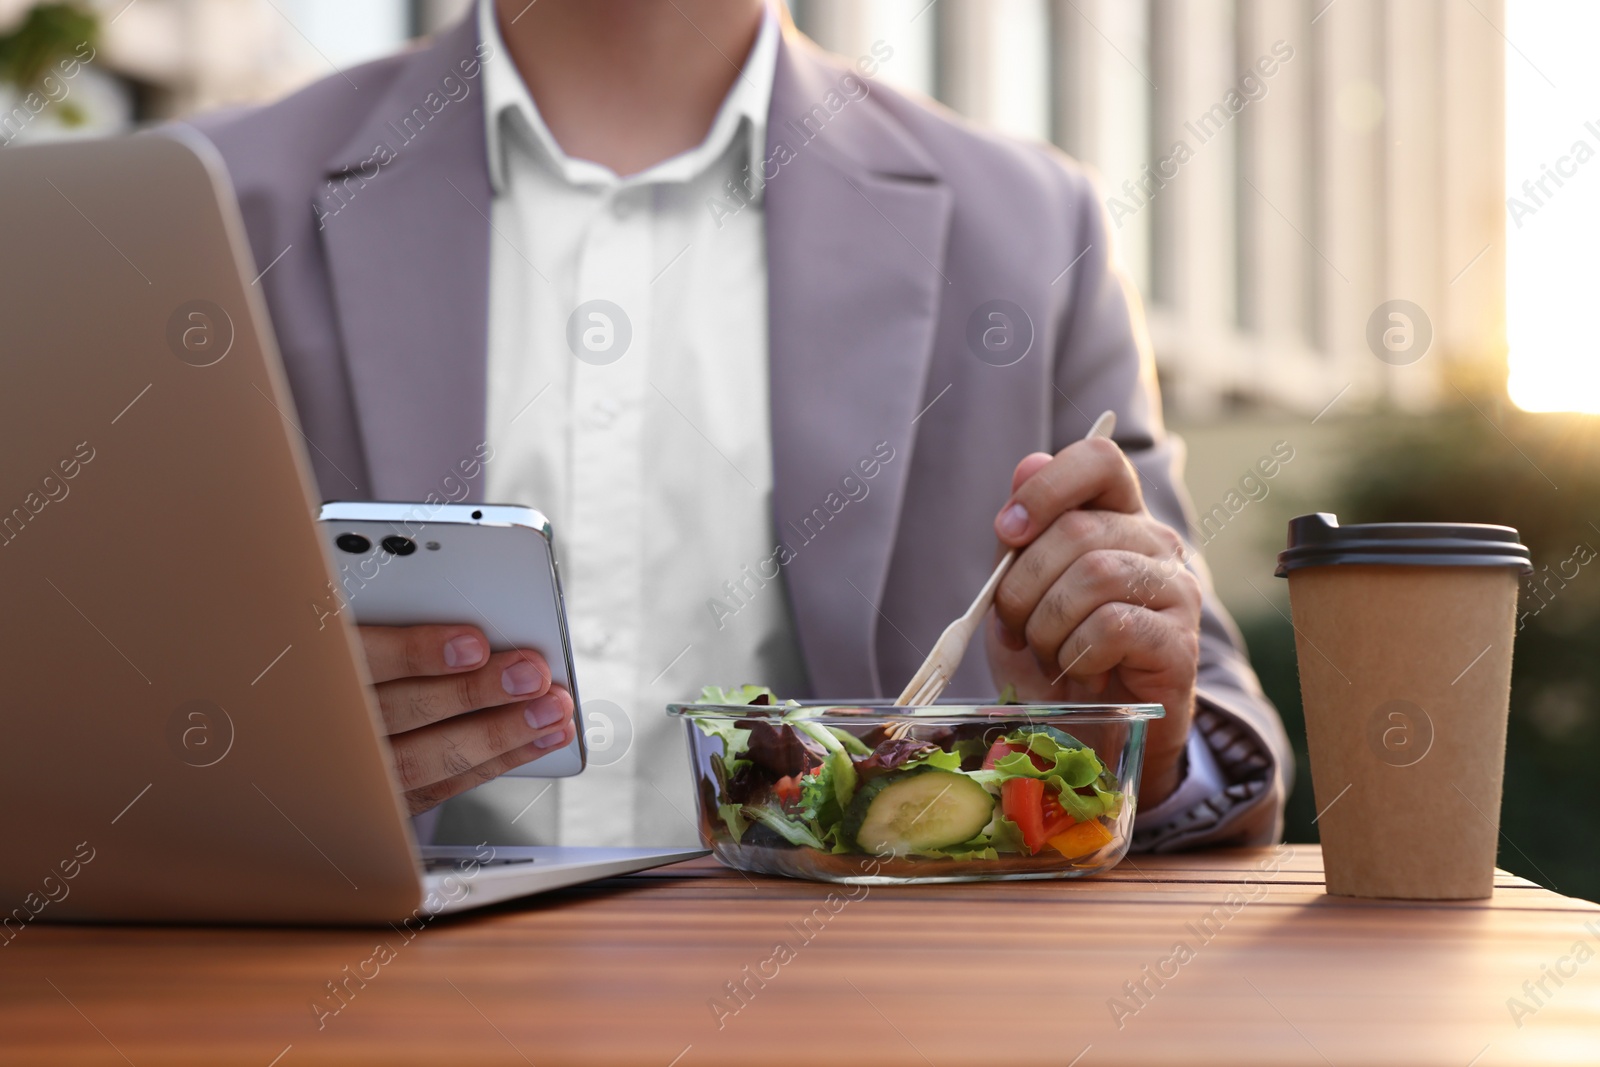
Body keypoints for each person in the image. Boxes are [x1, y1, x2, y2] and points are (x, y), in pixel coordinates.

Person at [188, 0, 1292, 851]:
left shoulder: (1032, 227)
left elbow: (1211, 733)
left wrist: (1117, 741)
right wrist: (218, 742)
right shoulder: (211, 201)